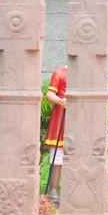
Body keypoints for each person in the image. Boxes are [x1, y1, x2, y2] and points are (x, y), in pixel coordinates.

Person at [44, 64, 68, 202]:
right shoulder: (60, 72)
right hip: (61, 118)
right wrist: (60, 100)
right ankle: (53, 188)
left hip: (79, 118)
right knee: (57, 157)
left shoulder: (85, 72)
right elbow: (49, 93)